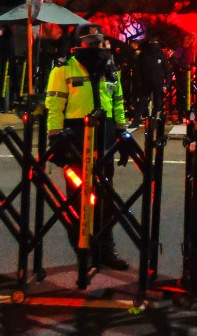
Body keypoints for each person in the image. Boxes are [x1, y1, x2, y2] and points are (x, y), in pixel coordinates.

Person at [44, 23, 130, 270]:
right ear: (78, 44)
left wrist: (122, 132)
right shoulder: (63, 69)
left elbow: (118, 101)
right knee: (77, 198)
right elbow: (55, 106)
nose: (94, 46)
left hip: (104, 139)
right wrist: (55, 138)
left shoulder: (110, 67)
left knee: (105, 197)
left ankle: (106, 249)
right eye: (89, 42)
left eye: (97, 41)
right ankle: (83, 249)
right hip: (74, 140)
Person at [130, 37, 168, 128]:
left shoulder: (157, 54)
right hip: (149, 82)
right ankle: (146, 120)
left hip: (152, 82)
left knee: (153, 102)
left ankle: (151, 120)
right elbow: (166, 69)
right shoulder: (145, 55)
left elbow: (166, 69)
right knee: (147, 102)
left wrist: (167, 81)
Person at [171, 33, 196, 122]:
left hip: (187, 74)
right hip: (183, 75)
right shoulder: (182, 49)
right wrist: (181, 67)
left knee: (185, 95)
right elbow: (175, 58)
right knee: (182, 95)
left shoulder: (189, 50)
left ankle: (185, 113)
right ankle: (182, 114)